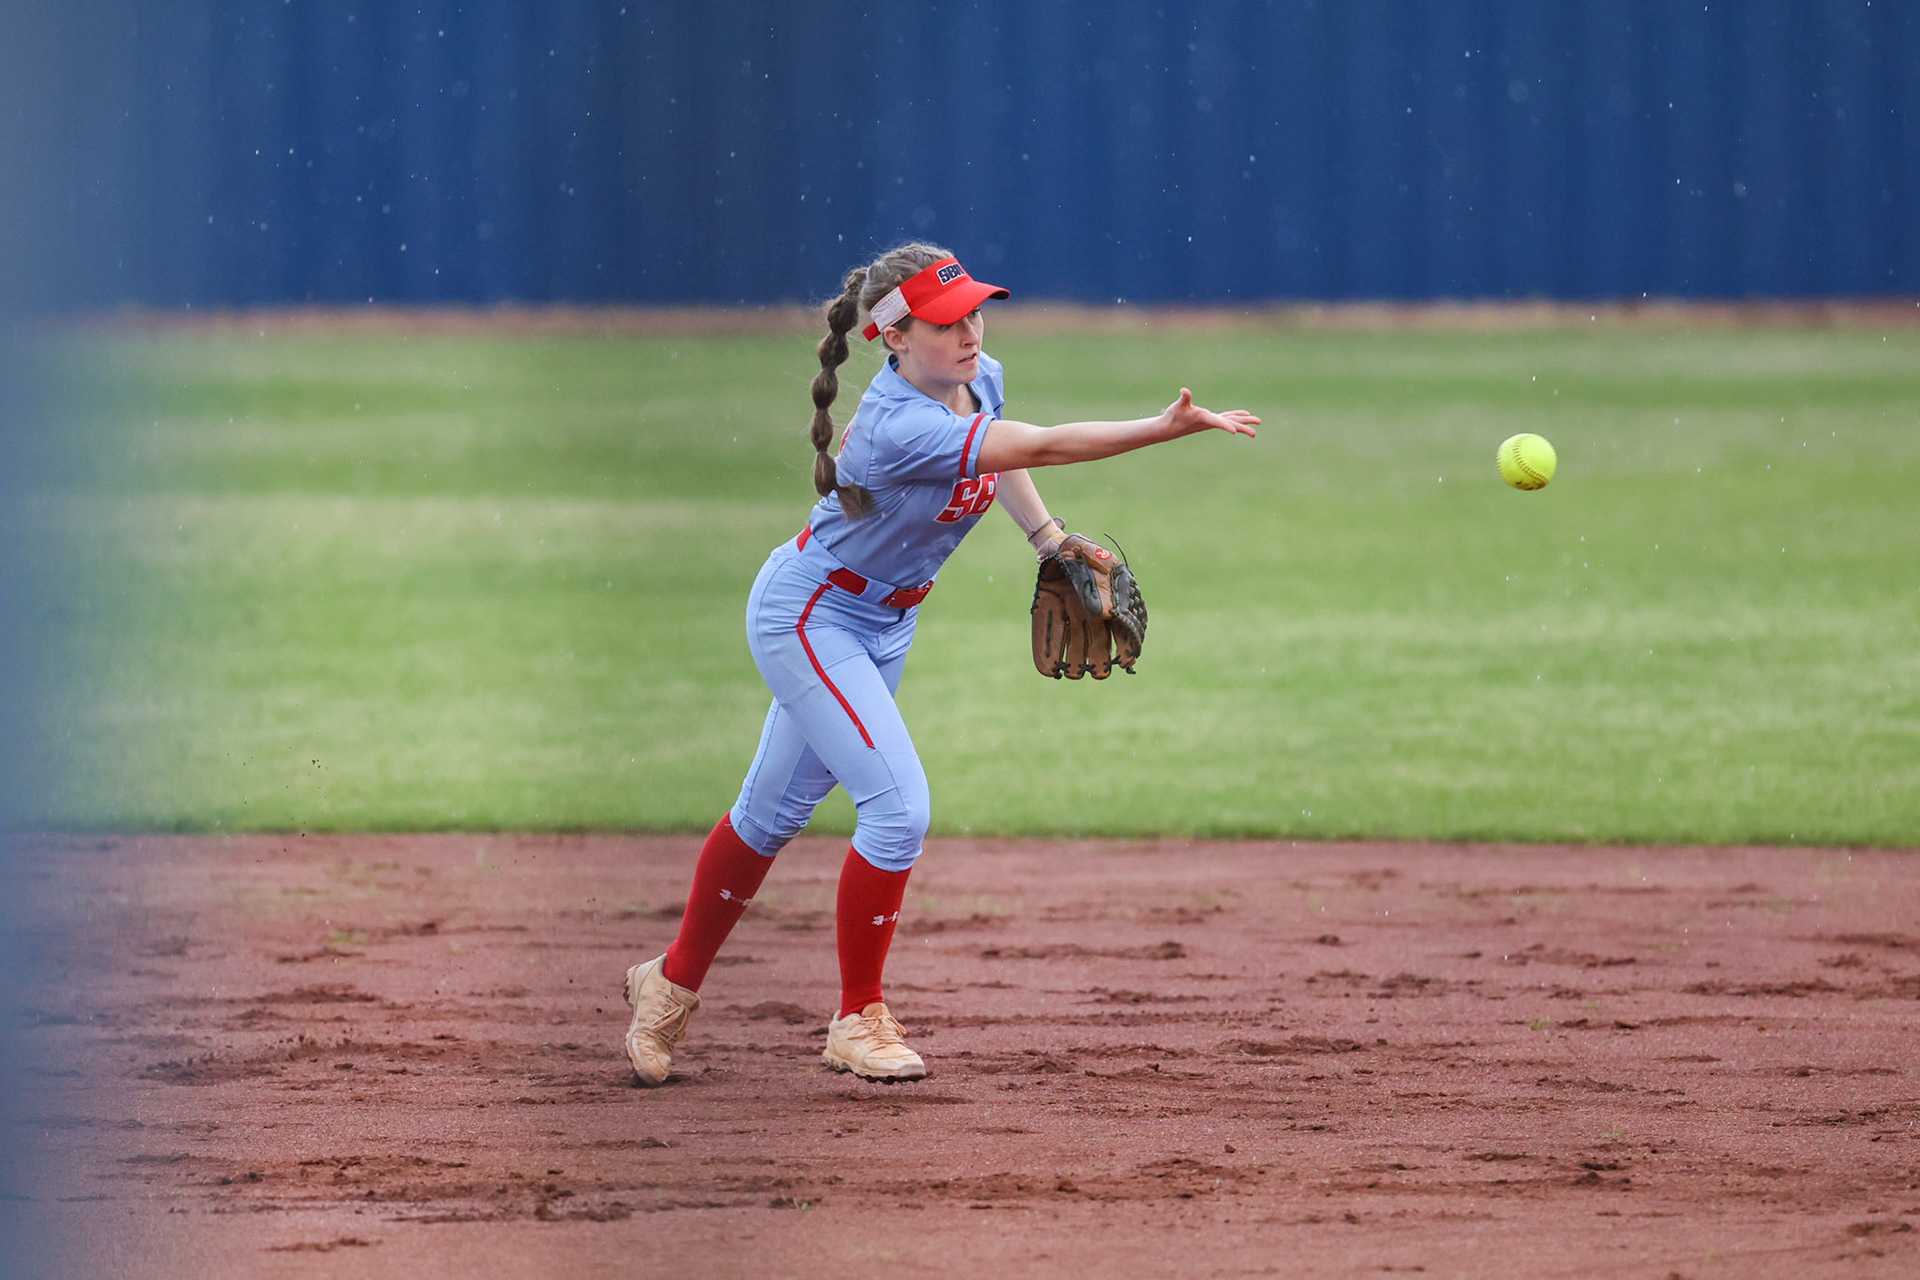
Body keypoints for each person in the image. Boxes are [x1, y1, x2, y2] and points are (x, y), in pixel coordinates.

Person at [622, 243, 1258, 1085]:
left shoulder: (974, 374)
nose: (969, 332)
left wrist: (1050, 538)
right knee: (898, 809)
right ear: (894, 336)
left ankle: (665, 984)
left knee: (770, 814)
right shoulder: (898, 426)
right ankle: (858, 1017)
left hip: (884, 623)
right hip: (813, 614)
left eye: (974, 311)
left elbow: (1007, 460)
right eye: (945, 321)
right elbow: (1048, 444)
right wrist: (1163, 426)